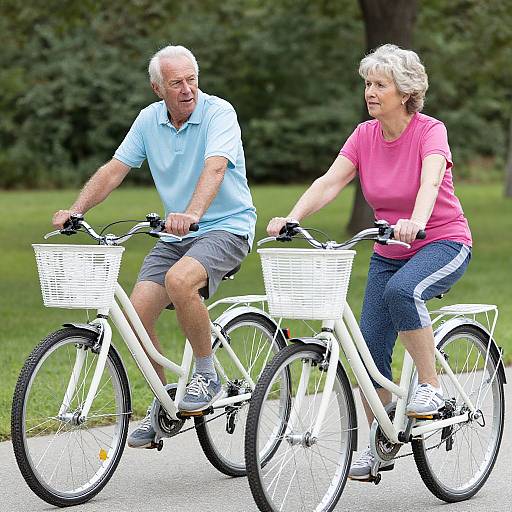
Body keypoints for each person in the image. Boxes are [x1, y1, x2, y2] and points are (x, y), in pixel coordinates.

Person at [267, 44, 472, 481]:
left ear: (405, 91)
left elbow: (431, 179)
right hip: (388, 251)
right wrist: (293, 216)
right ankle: (384, 437)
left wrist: (416, 221)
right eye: (368, 84)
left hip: (442, 242)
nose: (371, 92)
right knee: (369, 349)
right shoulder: (364, 136)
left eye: (380, 85)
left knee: (404, 292)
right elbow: (331, 181)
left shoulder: (429, 130)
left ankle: (432, 390)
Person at [53, 44, 256, 448]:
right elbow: (114, 170)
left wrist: (194, 213)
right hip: (174, 233)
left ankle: (205, 373)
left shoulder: (219, 113)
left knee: (181, 282)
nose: (187, 89)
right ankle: (164, 404)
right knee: (134, 315)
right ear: (156, 88)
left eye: (191, 79)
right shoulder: (149, 120)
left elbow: (215, 167)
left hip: (226, 228)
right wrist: (75, 210)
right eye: (176, 82)